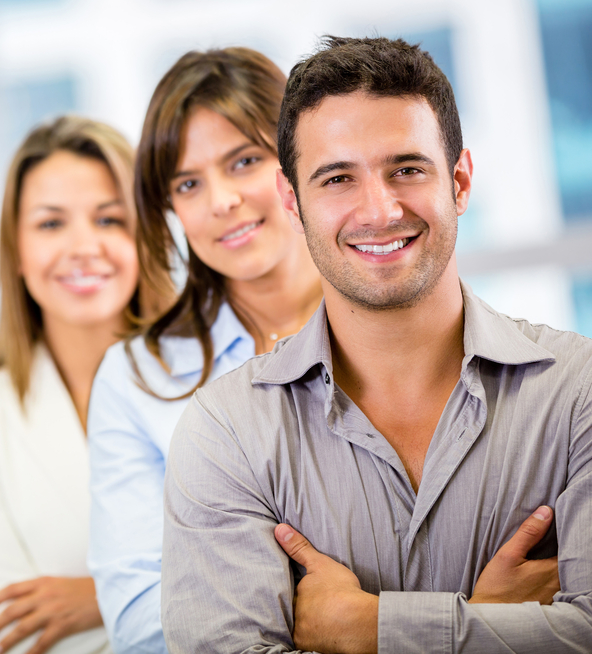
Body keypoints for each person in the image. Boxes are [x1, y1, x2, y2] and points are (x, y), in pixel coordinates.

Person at [161, 35, 592, 654]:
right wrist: (493, 626)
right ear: (294, 202)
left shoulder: (578, 393)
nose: (379, 209)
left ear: (461, 180)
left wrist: (367, 629)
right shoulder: (227, 431)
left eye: (407, 170)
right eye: (337, 178)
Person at [86, 48, 323, 653]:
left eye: (243, 161)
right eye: (188, 184)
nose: (220, 201)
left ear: (301, 157)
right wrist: (335, 621)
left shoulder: (397, 321)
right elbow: (141, 620)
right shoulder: (137, 376)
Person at [0, 116, 160, 654]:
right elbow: (9, 633)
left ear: (144, 235)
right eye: (51, 224)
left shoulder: (215, 381)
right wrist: (170, 596)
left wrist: (98, 600)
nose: (83, 246)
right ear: (17, 251)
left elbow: (262, 590)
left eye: (109, 219)